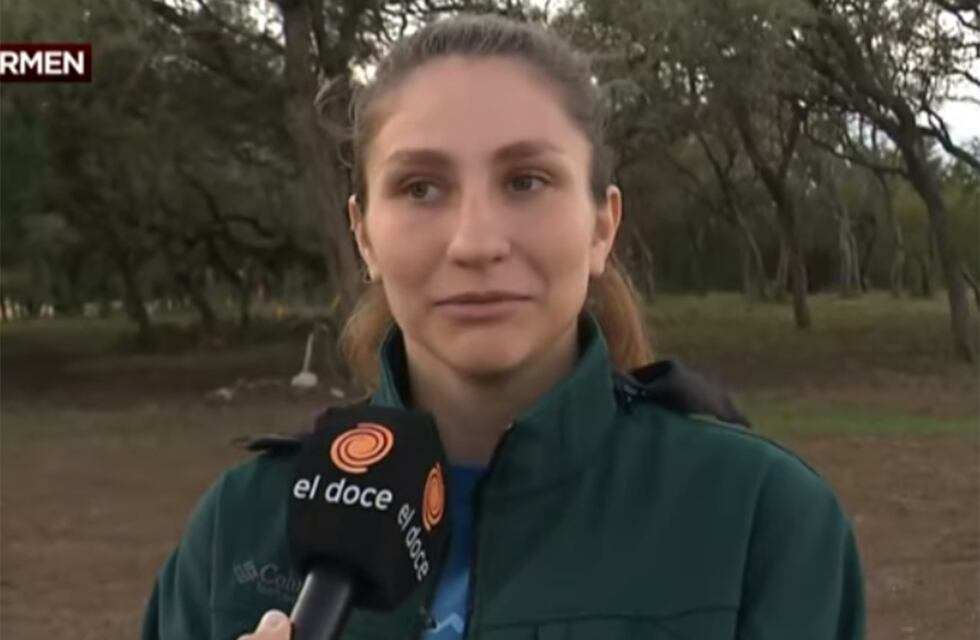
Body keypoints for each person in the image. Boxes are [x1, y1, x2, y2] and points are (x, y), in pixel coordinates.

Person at [142, 14, 865, 640]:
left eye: (526, 182)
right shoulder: (239, 524)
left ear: (602, 226)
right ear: (364, 235)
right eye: (421, 187)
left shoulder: (761, 519)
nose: (475, 242)